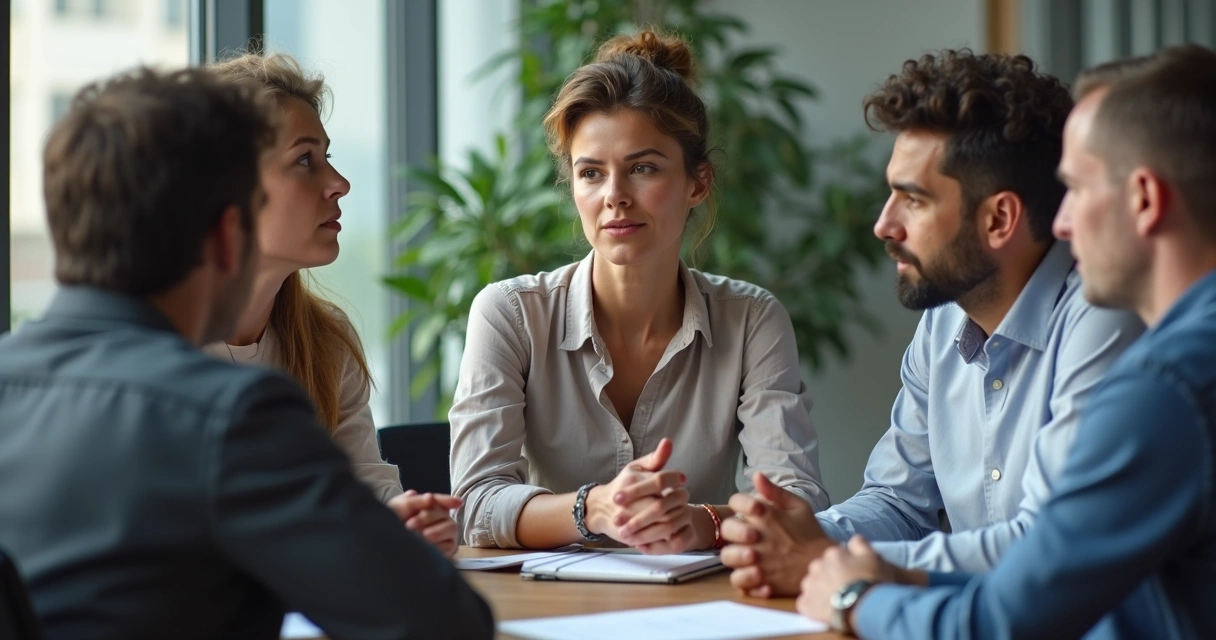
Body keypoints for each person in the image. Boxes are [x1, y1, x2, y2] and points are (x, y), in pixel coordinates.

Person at [0, 67, 492, 639]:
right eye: (304, 161)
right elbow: (442, 622)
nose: (337, 184)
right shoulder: (226, 415)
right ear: (228, 231)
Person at [796, 43, 1216, 640]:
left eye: (1076, 188)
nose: (1062, 222)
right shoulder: (1176, 361)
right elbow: (907, 505)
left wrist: (853, 594)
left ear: (1144, 200)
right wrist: (818, 541)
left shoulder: (1164, 382)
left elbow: (1006, 617)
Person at [721, 49, 1145, 594]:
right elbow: (899, 499)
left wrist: (823, 562)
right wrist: (798, 536)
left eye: (912, 200)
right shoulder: (946, 320)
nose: (883, 225)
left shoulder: (1104, 318)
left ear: (999, 219)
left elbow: (1046, 544)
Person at [450, 30, 828, 553]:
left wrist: (698, 522)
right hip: (552, 610)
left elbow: (796, 501)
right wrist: (596, 508)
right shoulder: (510, 314)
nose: (615, 197)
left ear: (698, 183)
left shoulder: (751, 320)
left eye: (642, 168)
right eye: (591, 173)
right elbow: (475, 504)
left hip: (697, 609)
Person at [203, 51, 458, 556]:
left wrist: (401, 522)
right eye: (305, 160)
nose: (338, 183)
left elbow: (364, 488)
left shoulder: (324, 341)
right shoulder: (154, 349)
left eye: (328, 156)